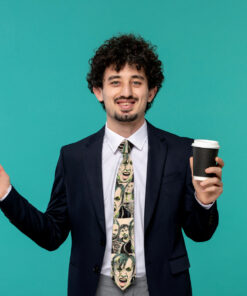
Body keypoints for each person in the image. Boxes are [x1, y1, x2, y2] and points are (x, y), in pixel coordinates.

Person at [0, 34, 224, 296]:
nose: (126, 92)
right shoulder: (73, 158)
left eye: (136, 82)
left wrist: (204, 202)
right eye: (115, 82)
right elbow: (52, 235)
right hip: (95, 287)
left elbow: (200, 233)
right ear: (98, 91)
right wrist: (6, 194)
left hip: (163, 286)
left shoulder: (181, 152)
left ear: (151, 91)